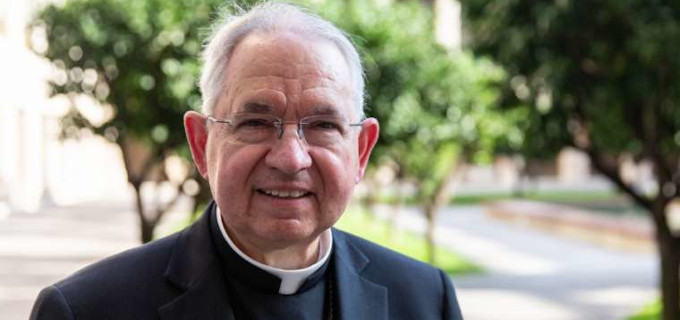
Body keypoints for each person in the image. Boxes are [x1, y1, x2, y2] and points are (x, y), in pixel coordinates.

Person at [30, 2, 463, 319]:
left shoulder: (424, 300)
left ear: (361, 151)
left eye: (322, 125)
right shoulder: (87, 311)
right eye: (256, 122)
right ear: (201, 144)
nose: (292, 158)